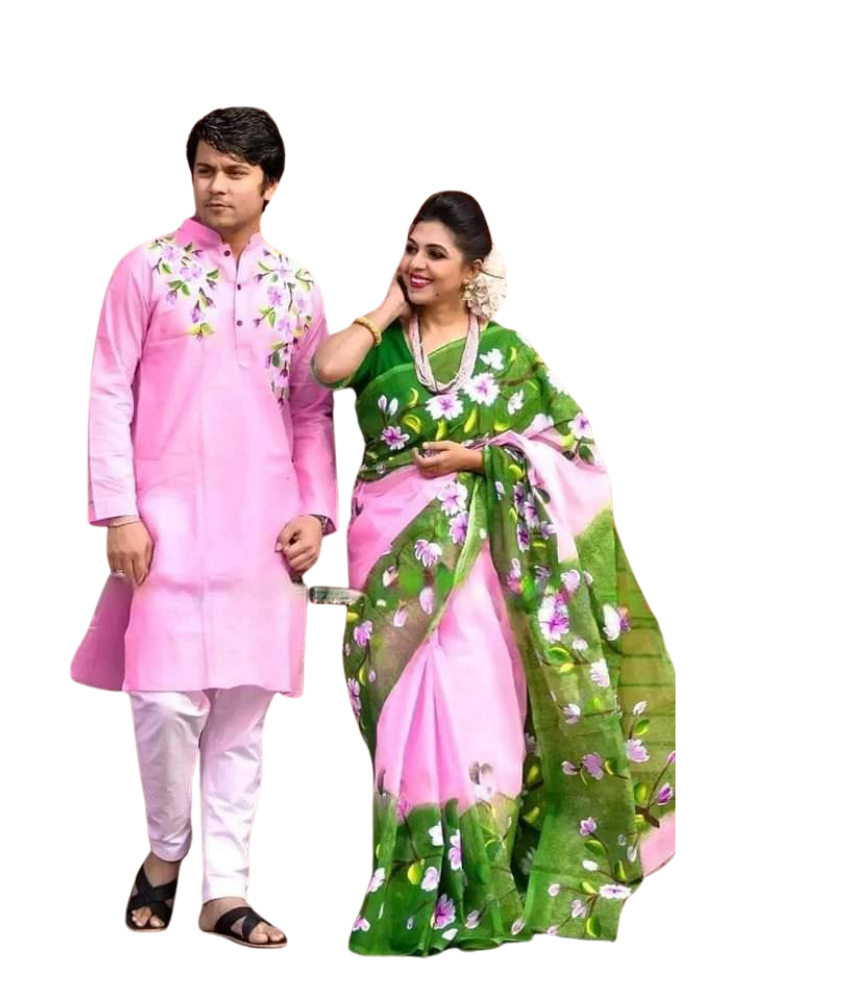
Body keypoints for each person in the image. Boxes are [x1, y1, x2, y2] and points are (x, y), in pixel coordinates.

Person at [310, 191, 675, 956]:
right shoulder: (379, 344)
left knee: (480, 717)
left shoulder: (508, 356)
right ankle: (411, 887)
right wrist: (386, 307)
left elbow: (577, 453)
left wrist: (479, 459)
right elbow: (324, 368)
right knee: (401, 723)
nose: (417, 263)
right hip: (392, 565)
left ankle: (488, 888)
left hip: (477, 574)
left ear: (473, 268)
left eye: (435, 253)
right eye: (410, 247)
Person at [70, 107, 337, 946]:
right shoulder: (146, 269)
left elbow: (311, 413)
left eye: (235, 173)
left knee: (242, 719)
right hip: (166, 528)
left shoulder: (297, 288)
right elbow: (108, 391)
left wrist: (315, 512)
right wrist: (119, 511)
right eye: (205, 169)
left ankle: (227, 892)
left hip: (263, 533)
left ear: (271, 184)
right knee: (162, 703)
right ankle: (165, 851)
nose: (217, 186)